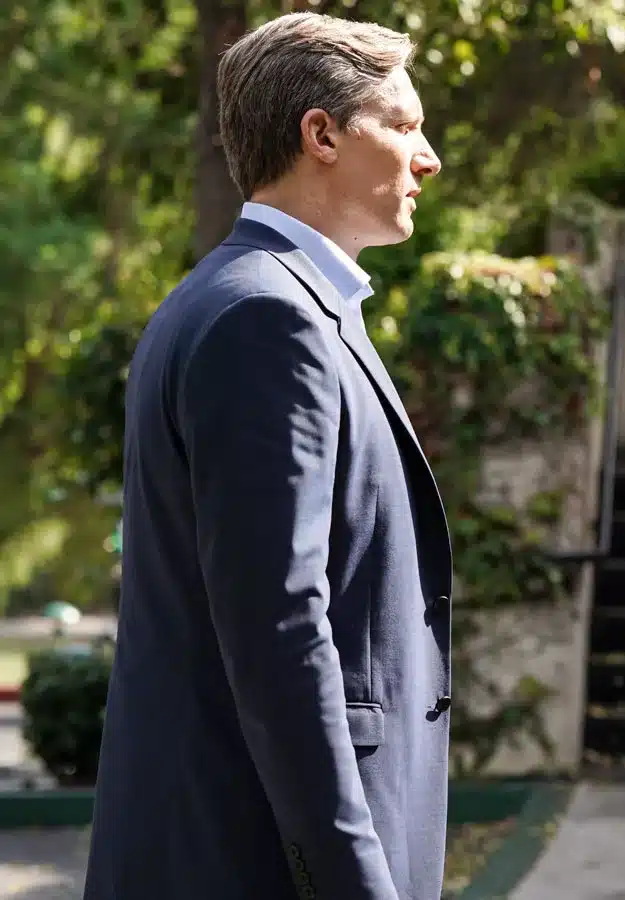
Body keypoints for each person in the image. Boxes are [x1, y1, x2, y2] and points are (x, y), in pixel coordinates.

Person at [85, 14, 449, 900]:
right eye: (404, 124)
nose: (429, 158)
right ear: (321, 135)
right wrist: (354, 881)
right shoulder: (267, 317)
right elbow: (280, 633)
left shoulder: (254, 300)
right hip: (256, 859)